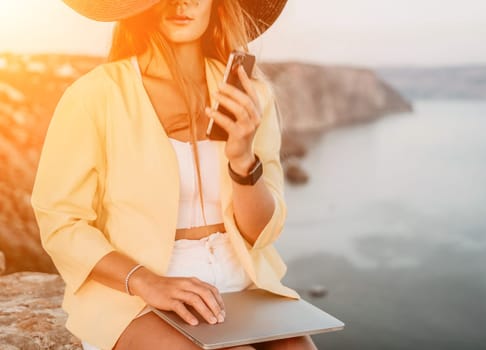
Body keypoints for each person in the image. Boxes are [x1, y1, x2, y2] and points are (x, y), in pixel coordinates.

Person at [31, 0, 317, 349]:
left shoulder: (249, 94)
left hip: (243, 280)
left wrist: (243, 161)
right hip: (135, 292)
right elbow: (61, 223)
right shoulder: (94, 95)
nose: (182, 4)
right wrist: (145, 281)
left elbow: (261, 232)